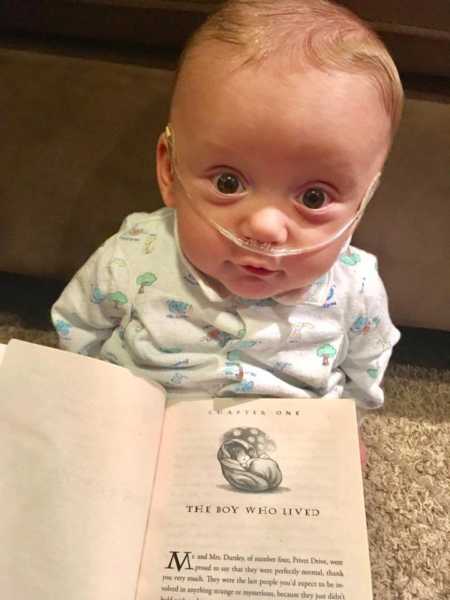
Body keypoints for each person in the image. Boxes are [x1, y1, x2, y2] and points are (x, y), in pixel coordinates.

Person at [51, 0, 403, 461]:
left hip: (280, 451)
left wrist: (345, 425)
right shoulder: (135, 255)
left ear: (365, 199)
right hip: (142, 443)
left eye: (313, 198)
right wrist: (85, 404)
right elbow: (78, 326)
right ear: (169, 171)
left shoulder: (354, 287)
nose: (265, 227)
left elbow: (366, 364)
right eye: (228, 183)